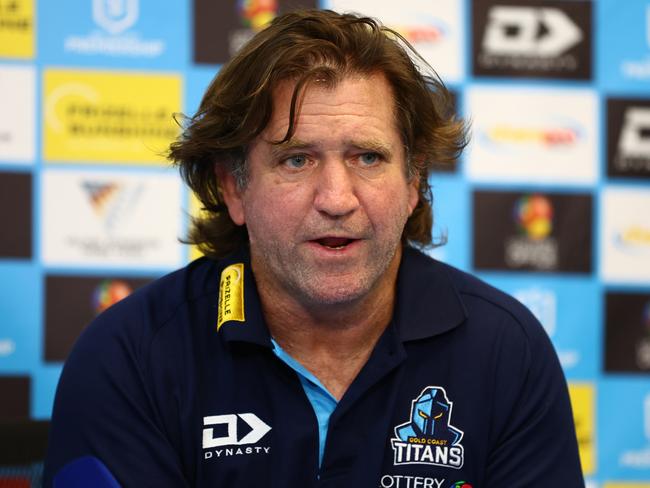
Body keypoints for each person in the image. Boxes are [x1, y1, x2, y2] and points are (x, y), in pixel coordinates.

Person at [44, 9, 584, 487]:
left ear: (414, 179)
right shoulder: (130, 355)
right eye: (296, 159)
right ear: (234, 187)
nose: (336, 199)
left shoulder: (506, 350)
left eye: (367, 158)